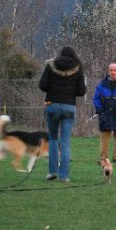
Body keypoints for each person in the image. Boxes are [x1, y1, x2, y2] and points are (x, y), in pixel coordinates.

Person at [38, 46, 86, 182]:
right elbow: (81, 91)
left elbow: (42, 85)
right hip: (69, 107)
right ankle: (64, 176)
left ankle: (52, 172)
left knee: (53, 139)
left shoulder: (50, 65)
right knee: (65, 142)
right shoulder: (78, 67)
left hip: (52, 105)